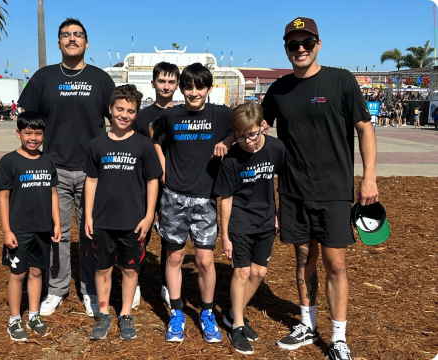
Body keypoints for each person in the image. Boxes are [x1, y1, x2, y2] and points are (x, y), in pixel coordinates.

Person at [261, 17, 378, 360]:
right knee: (303, 260)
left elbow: (364, 129)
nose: (299, 49)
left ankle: (338, 337)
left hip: (334, 192)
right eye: (292, 44)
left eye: (306, 43)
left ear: (318, 44)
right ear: (285, 48)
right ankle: (307, 324)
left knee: (335, 264)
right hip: (294, 191)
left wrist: (369, 177)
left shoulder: (341, 81)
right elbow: (255, 125)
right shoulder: (279, 89)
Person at [18, 17, 115, 317]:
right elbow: (27, 121)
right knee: (55, 234)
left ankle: (89, 289)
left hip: (92, 172)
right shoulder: (43, 78)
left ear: (86, 43)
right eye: (66, 35)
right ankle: (57, 288)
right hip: (55, 169)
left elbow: (118, 121)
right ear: (59, 42)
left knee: (91, 233)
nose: (71, 39)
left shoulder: (101, 79)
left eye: (77, 35)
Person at [150, 63, 232, 343]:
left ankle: (207, 313)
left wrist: (229, 140)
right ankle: (176, 312)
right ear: (182, 88)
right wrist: (161, 162)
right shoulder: (171, 115)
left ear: (209, 88)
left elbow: (250, 122)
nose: (193, 92)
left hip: (206, 199)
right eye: (188, 86)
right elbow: (155, 136)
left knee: (205, 260)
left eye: (199, 86)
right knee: (174, 257)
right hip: (173, 197)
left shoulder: (220, 114)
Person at [84, 85, 162, 341]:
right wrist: (88, 215)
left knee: (130, 270)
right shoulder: (97, 144)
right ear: (110, 109)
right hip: (103, 220)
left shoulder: (143, 145)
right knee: (103, 268)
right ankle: (104, 313)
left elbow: (153, 180)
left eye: (130, 111)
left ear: (136, 114)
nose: (124, 114)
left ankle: (125, 314)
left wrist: (149, 215)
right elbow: (92, 180)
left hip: (133, 220)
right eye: (120, 109)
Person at [213, 102, 286, 354]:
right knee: (242, 273)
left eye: (252, 134)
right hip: (240, 223)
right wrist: (225, 235)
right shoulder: (232, 158)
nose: (248, 141)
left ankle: (234, 314)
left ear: (262, 126)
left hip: (266, 221)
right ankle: (237, 326)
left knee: (259, 273)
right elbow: (226, 198)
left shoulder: (276, 148)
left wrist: (279, 214)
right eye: (241, 136)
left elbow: (284, 183)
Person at [0, 111, 62, 342]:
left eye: (38, 133)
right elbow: (4, 197)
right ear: (18, 134)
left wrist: (57, 223)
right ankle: (14, 319)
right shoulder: (9, 161)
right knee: (18, 274)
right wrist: (7, 230)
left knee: (36, 272)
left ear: (44, 135)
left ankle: (33, 315)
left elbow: (53, 193)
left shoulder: (48, 160)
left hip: (43, 227)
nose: (33, 138)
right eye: (27, 133)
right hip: (19, 229)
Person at [131, 61, 180, 309]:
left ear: (178, 85)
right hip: (145, 184)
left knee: (170, 240)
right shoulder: (141, 117)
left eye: (171, 82)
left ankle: (166, 284)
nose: (166, 86)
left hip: (174, 186)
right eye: (161, 81)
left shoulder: (183, 115)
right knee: (141, 234)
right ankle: (135, 283)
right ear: (153, 83)